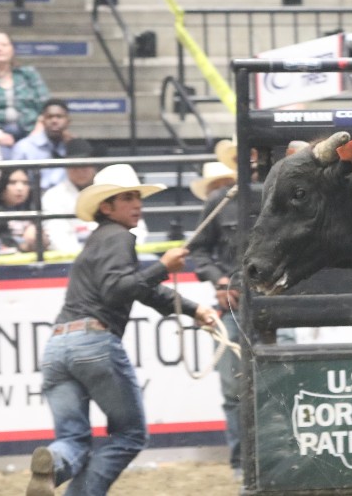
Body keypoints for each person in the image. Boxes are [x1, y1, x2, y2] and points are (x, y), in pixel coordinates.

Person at [24, 163, 218, 496]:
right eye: (127, 198)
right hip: (94, 342)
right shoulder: (119, 238)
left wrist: (193, 309)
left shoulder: (98, 242)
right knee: (129, 435)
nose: (137, 204)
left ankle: (53, 464)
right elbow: (120, 289)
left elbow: (138, 288)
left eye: (136, 197)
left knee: (72, 439)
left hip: (58, 346)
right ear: (107, 207)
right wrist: (163, 267)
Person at [186, 160, 242, 479]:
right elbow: (200, 252)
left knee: (278, 383)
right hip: (233, 305)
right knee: (235, 390)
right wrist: (220, 281)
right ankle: (241, 463)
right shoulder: (219, 202)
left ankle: (260, 461)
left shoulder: (276, 194)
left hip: (269, 306)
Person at [41, 138, 100, 253]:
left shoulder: (110, 189)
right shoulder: (53, 196)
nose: (79, 171)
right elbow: (57, 236)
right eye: (74, 166)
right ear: (66, 167)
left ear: (94, 165)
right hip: (73, 258)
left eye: (84, 165)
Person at [11, 98, 72, 191]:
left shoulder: (75, 146)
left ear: (68, 120)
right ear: (42, 120)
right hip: (33, 199)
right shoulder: (24, 147)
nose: (54, 121)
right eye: (49, 117)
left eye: (59, 117)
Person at [0, 168, 46, 254]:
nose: (20, 188)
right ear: (2, 185)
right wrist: (22, 244)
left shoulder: (36, 208)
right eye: (12, 182)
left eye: (25, 183)